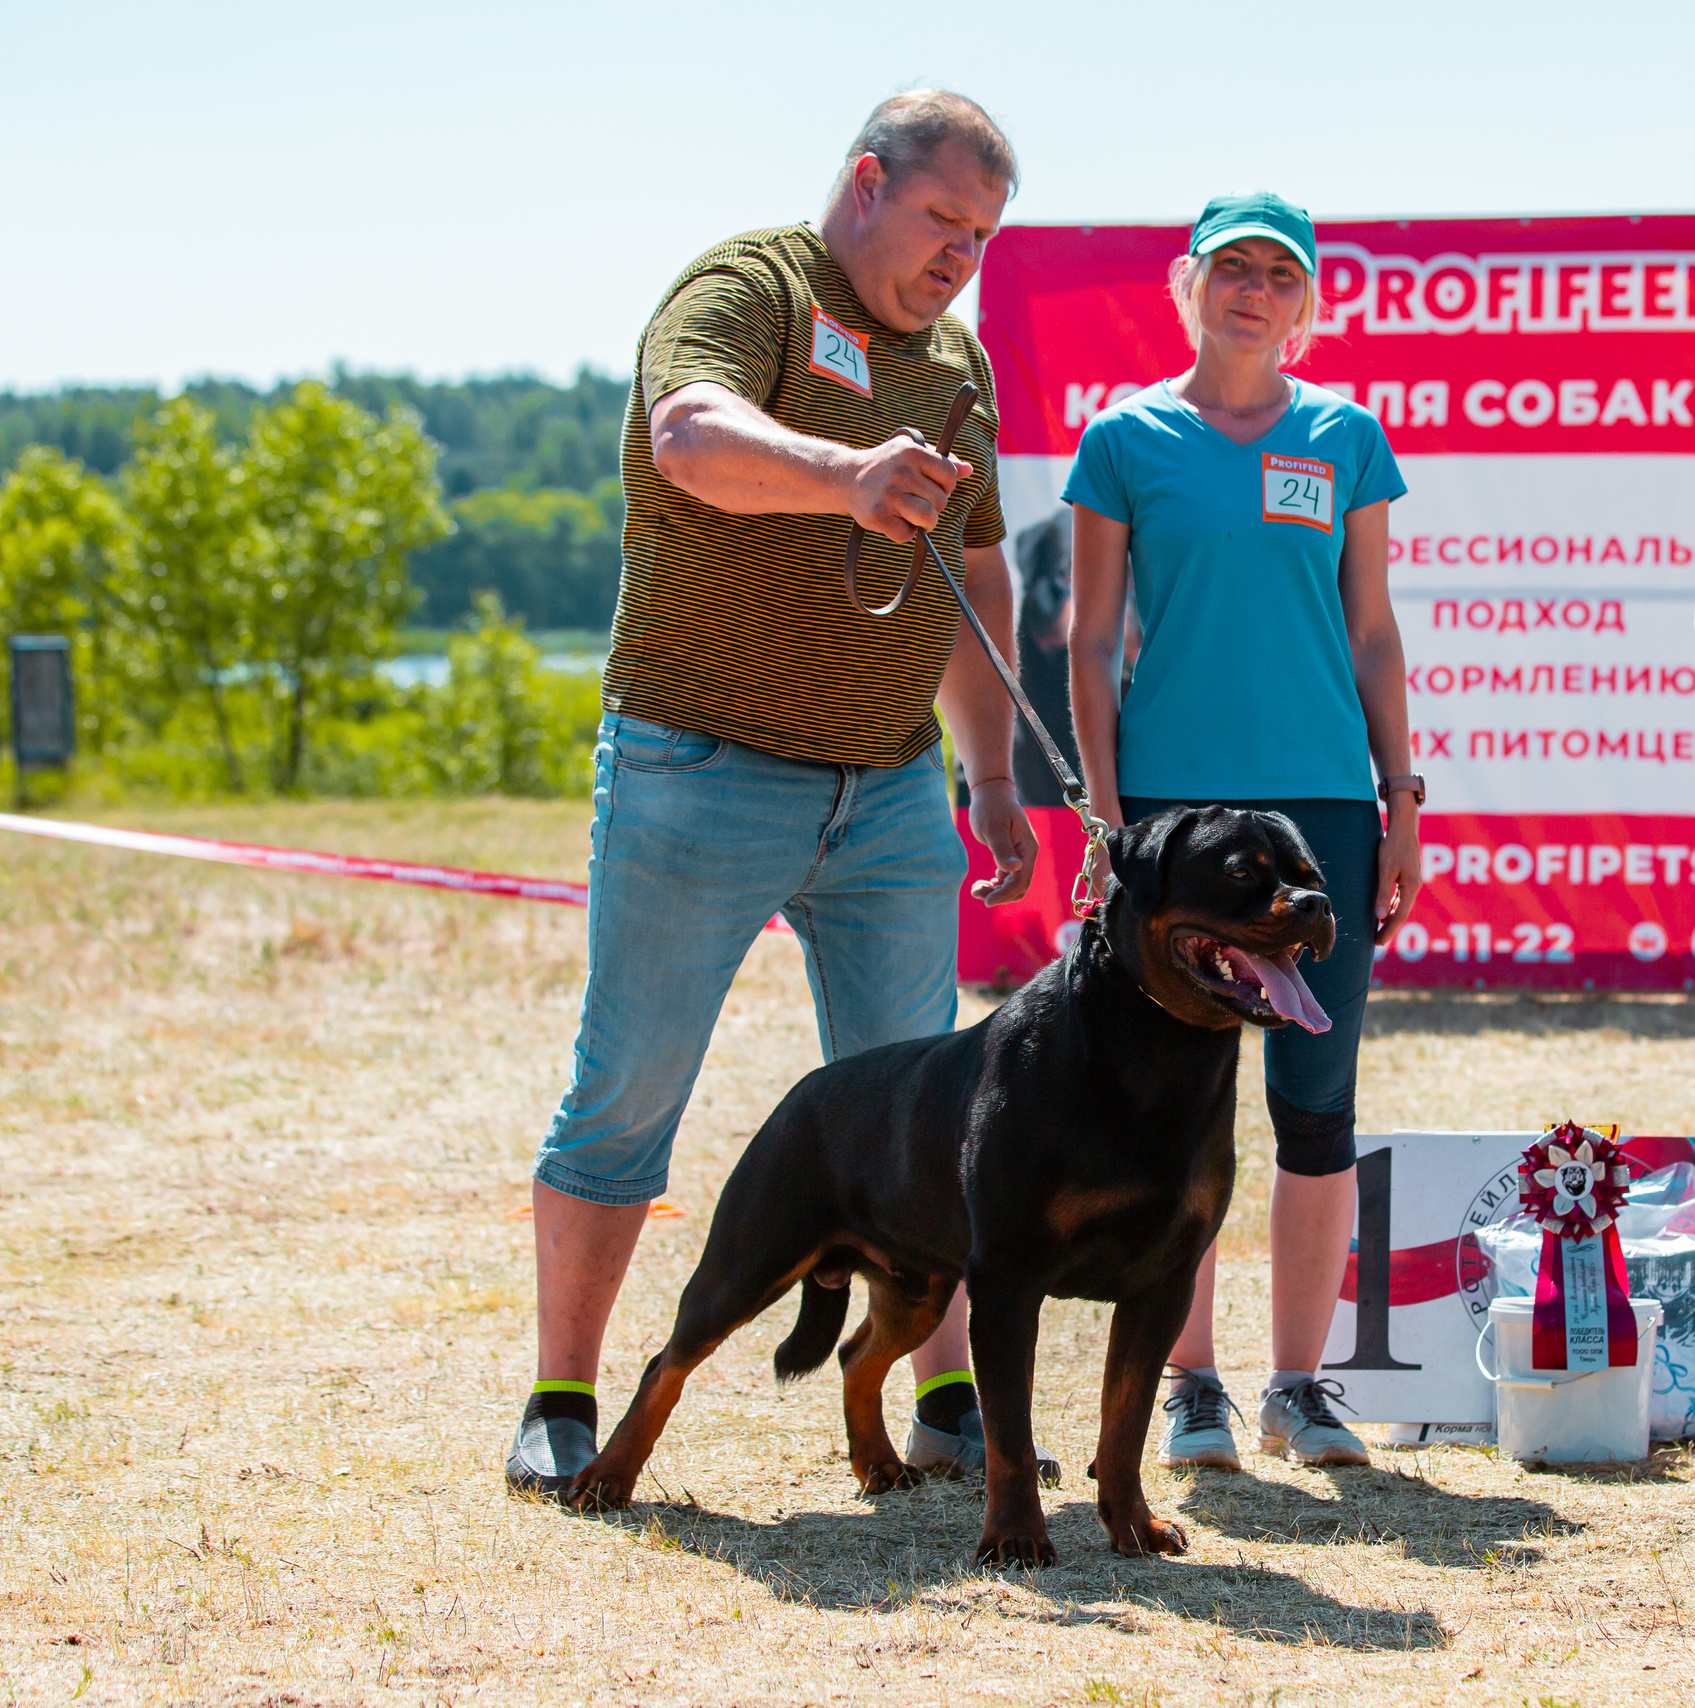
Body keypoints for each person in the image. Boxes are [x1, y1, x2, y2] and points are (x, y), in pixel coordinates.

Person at [507, 90, 1053, 1499]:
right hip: (696, 767)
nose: (959, 259)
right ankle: (563, 1398)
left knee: (937, 1116)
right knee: (628, 1089)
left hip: (887, 795)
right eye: (942, 220)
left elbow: (978, 577)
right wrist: (847, 473)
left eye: (983, 237)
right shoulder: (748, 285)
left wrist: (991, 776)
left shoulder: (960, 366)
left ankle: (947, 1408)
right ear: (866, 182)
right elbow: (691, 434)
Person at [1062, 192, 1424, 1470]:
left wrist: (1399, 800)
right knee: (1177, 1107)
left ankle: (1301, 1386)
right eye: (1232, 268)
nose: (1254, 289)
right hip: (1173, 823)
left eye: (1281, 272)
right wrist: (1107, 818)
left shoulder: (1347, 437)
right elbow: (1092, 639)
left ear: (1308, 301)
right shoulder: (1124, 438)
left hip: (1324, 807)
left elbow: (1372, 632)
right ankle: (1192, 1383)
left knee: (1315, 1102)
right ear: (1186, 285)